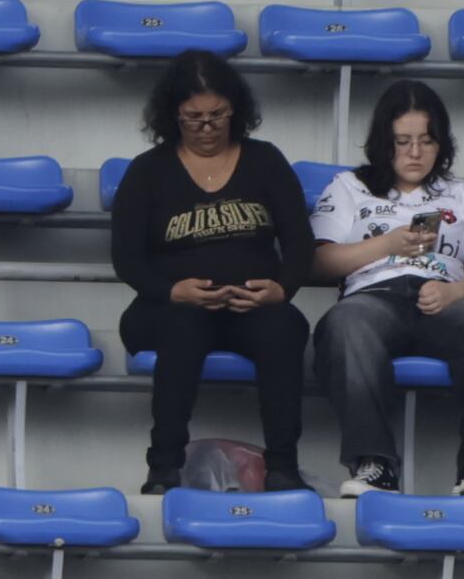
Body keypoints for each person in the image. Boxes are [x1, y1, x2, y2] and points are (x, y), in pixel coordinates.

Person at [110, 50, 315, 493]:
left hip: (250, 306)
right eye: (194, 118)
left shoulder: (265, 161)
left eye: (217, 116)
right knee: (183, 325)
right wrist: (173, 291)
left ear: (235, 110)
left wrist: (280, 290)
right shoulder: (148, 171)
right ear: (173, 115)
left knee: (285, 327)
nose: (207, 128)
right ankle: (164, 466)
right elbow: (126, 259)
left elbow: (300, 243)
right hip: (167, 306)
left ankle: (283, 466)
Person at [307, 76, 464, 493]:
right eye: (402, 141)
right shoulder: (349, 188)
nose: (415, 152)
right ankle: (374, 464)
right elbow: (316, 264)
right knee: (345, 323)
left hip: (445, 300)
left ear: (442, 143)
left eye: (426, 141)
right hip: (373, 299)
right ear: (382, 142)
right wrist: (386, 245)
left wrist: (456, 292)